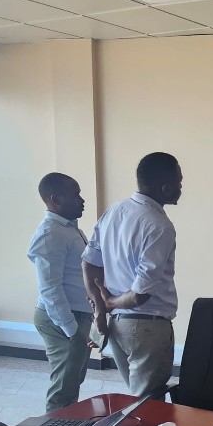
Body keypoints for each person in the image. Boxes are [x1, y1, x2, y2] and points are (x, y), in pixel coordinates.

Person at [82, 152, 182, 397]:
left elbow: (89, 263)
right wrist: (109, 303)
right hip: (147, 328)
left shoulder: (113, 211)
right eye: (179, 181)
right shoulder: (159, 225)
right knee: (148, 403)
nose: (181, 187)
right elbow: (141, 293)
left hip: (118, 327)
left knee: (136, 399)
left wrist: (101, 308)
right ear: (165, 186)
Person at [27, 172, 92, 412]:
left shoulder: (69, 229)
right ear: (55, 199)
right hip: (61, 319)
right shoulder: (50, 234)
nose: (82, 200)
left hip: (77, 316)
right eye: (75, 195)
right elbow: (50, 288)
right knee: (63, 390)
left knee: (72, 382)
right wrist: (71, 330)